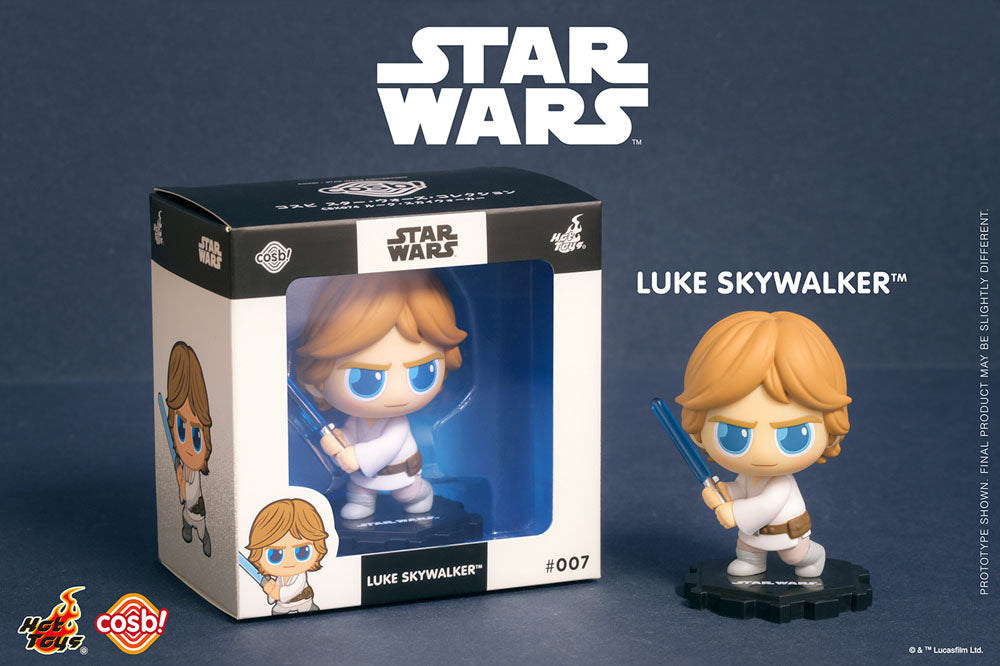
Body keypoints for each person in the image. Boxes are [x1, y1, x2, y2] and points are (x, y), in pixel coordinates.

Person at [675, 311, 851, 577]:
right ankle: (753, 563)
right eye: (734, 435)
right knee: (748, 546)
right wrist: (725, 491)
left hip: (786, 531)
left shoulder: (781, 485)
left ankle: (814, 555)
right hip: (754, 533)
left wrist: (733, 512)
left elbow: (765, 506)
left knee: (794, 555)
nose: (763, 453)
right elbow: (743, 488)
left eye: (793, 436)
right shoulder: (750, 476)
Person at [296, 271, 466, 520]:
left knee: (407, 494)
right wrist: (341, 438)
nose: (397, 393)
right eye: (364, 379)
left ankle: (422, 494)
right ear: (318, 378)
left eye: (422, 373)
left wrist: (356, 456)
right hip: (366, 475)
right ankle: (363, 505)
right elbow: (352, 432)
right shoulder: (358, 419)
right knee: (359, 490)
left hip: (400, 471)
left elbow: (388, 445)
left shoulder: (398, 425)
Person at [166, 341, 214, 557]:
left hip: (198, 512)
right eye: (180, 428)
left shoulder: (196, 473)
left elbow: (192, 490)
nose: (187, 447)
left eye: (196, 436)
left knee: (201, 529)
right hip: (187, 509)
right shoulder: (182, 466)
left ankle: (204, 538)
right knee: (186, 519)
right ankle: (186, 528)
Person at [246, 498, 329, 614]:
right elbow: (274, 595)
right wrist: (270, 590)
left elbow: (295, 589)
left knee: (310, 612)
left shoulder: (300, 575)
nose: (289, 562)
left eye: (302, 552)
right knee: (276, 611)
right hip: (283, 605)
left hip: (303, 602)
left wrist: (278, 593)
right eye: (275, 555)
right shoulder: (280, 578)